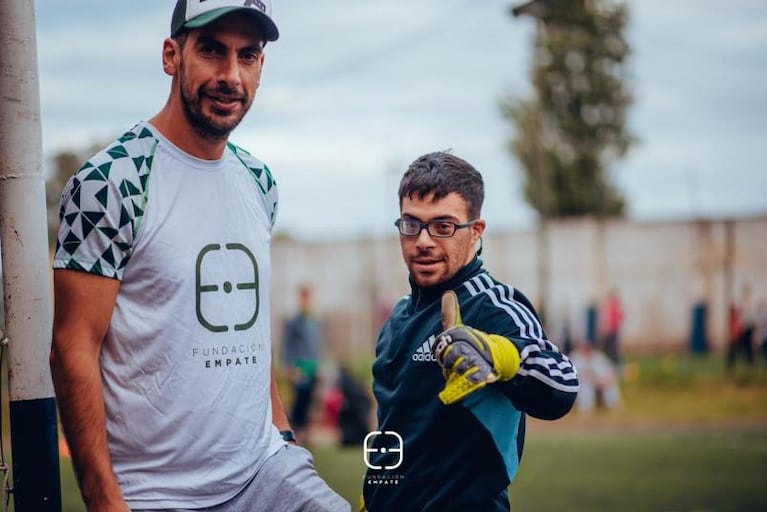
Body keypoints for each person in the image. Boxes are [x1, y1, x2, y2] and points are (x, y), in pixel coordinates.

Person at [49, 2, 350, 511]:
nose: (230, 75)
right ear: (172, 55)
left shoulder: (259, 182)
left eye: (247, 55)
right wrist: (104, 501)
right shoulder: (112, 184)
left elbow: (247, 331)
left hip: (265, 472)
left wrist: (285, 438)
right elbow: (72, 348)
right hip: (156, 493)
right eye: (212, 50)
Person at [361, 151, 579, 512]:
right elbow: (393, 434)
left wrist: (498, 354)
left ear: (475, 231)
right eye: (411, 224)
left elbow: (563, 385)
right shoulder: (398, 318)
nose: (424, 240)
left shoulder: (491, 305)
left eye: (443, 226)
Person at [281, 284, 324, 445]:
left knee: (309, 402)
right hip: (300, 367)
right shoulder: (294, 322)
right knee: (299, 401)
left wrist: (319, 365)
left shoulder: (314, 321)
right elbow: (288, 345)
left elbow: (318, 346)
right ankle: (296, 432)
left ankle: (307, 434)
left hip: (312, 367)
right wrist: (289, 366)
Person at [567, 341, 620, 413]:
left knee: (610, 386)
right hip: (581, 383)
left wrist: (605, 380)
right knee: (586, 387)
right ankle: (585, 410)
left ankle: (613, 406)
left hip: (599, 381)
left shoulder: (599, 357)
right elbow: (573, 374)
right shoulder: (574, 357)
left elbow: (611, 370)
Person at [601, 289, 624, 365]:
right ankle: (611, 363)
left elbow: (612, 319)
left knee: (612, 348)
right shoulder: (614, 306)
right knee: (610, 348)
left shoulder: (614, 306)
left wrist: (608, 329)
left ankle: (614, 363)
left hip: (612, 330)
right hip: (612, 330)